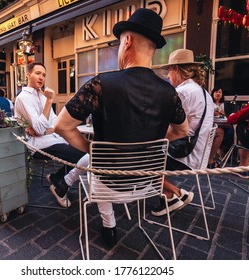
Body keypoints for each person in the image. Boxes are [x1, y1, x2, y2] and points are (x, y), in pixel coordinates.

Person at [54, 8, 189, 248]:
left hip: (110, 183)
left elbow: (61, 126)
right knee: (98, 165)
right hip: (148, 183)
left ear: (126, 41)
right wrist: (154, 140)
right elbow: (181, 131)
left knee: (97, 166)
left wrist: (92, 150)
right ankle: (102, 217)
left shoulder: (101, 84)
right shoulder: (170, 92)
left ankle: (109, 224)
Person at [151, 49, 214, 216]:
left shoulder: (183, 92)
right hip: (200, 154)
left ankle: (175, 194)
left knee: (139, 159)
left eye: (169, 71)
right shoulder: (204, 93)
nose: (167, 76)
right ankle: (170, 195)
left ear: (177, 69)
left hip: (184, 153)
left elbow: (170, 128)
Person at [14, 62, 85, 208]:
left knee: (84, 153)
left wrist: (45, 129)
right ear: (28, 75)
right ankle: (60, 187)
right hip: (36, 145)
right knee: (81, 158)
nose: (41, 77)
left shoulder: (42, 96)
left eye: (44, 75)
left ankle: (56, 178)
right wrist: (50, 102)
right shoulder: (23, 98)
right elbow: (40, 129)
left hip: (53, 139)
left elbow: (55, 124)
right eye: (38, 73)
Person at [208, 87, 234, 168]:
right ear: (212, 93)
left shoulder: (225, 105)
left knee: (232, 131)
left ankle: (221, 149)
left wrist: (223, 114)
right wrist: (212, 113)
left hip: (224, 124)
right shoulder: (209, 103)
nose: (218, 94)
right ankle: (212, 157)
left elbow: (229, 116)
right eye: (216, 92)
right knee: (220, 131)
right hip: (212, 125)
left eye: (220, 92)